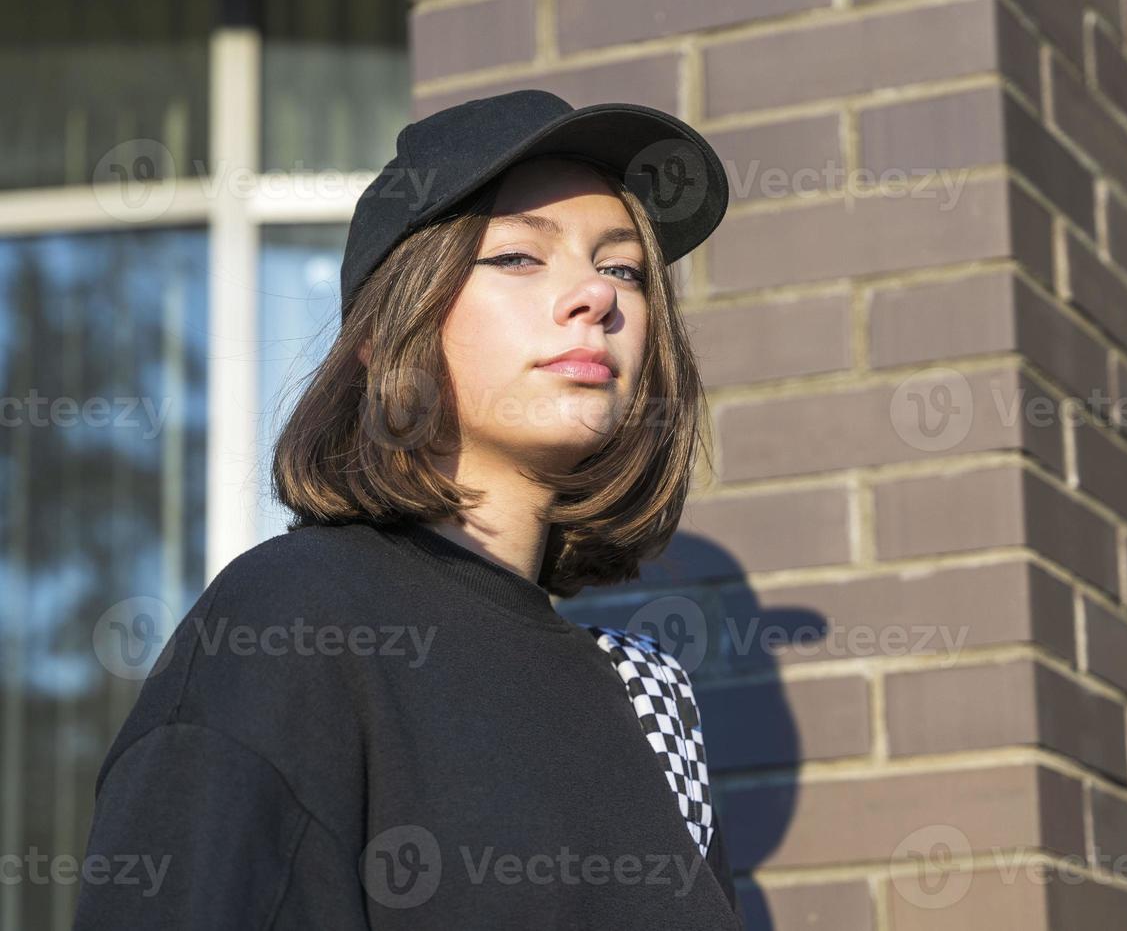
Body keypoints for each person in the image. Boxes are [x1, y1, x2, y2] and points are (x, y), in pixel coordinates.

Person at [72, 90, 743, 929]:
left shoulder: (647, 696)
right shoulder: (295, 621)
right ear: (388, 334)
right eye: (519, 258)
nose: (595, 298)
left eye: (622, 269)